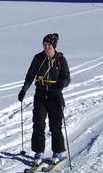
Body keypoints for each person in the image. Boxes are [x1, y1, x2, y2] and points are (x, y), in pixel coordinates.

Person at [18, 33, 70, 166]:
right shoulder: (38, 58)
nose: (46, 46)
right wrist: (24, 90)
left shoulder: (61, 60)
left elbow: (66, 78)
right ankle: (38, 152)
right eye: (44, 44)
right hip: (40, 95)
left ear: (54, 45)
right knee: (38, 124)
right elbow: (30, 75)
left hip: (55, 96)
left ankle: (57, 152)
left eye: (49, 44)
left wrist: (61, 84)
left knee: (55, 125)